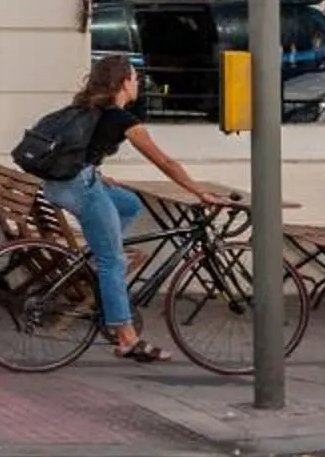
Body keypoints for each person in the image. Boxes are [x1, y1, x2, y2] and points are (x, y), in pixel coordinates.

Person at [30, 53, 226, 364]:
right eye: (135, 78)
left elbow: (81, 151)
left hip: (59, 184)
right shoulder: (124, 120)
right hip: (80, 189)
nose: (138, 83)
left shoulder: (88, 108)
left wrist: (96, 171)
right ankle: (126, 339)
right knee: (113, 262)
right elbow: (164, 161)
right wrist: (198, 190)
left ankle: (98, 251)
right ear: (123, 83)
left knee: (129, 203)